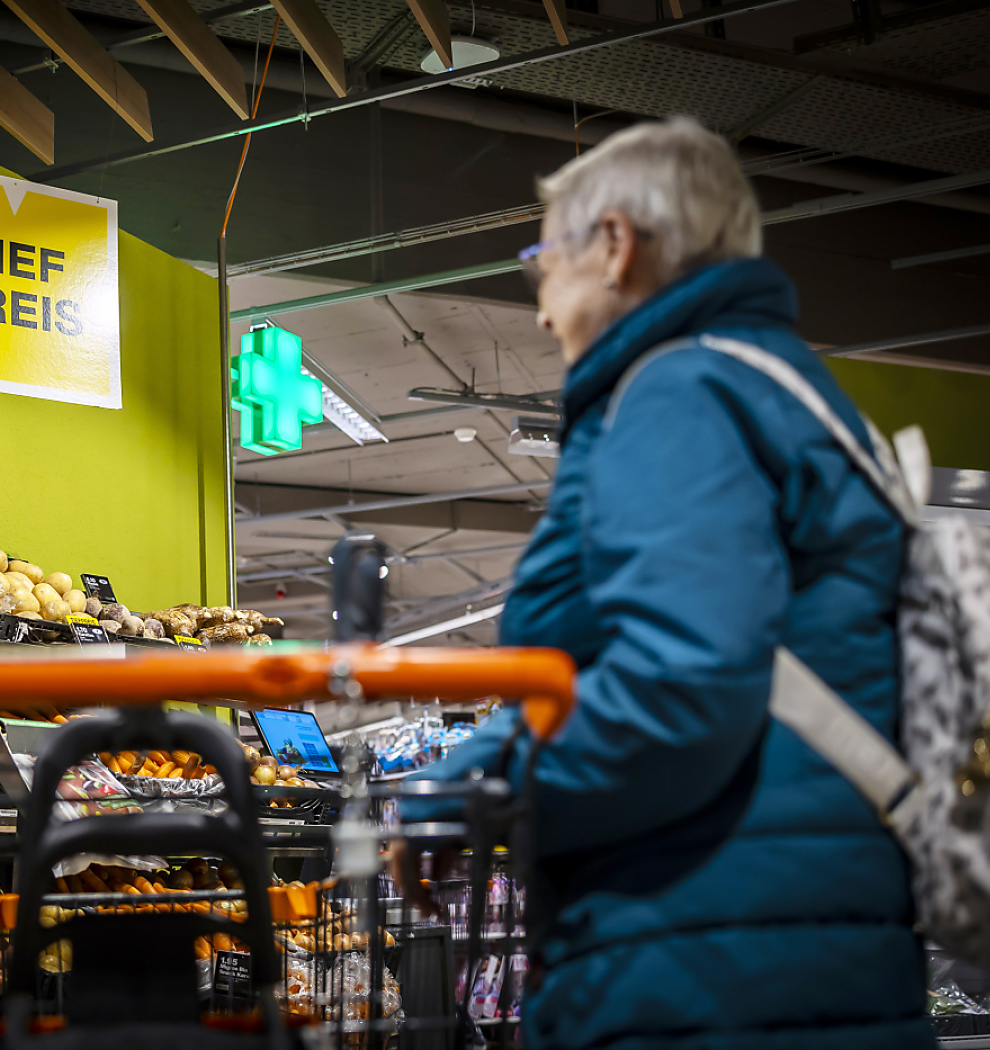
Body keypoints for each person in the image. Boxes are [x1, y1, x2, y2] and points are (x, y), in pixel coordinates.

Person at [392, 117, 931, 1048]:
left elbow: (682, 683)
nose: (540, 308)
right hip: (789, 946)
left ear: (614, 247)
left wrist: (496, 798)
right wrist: (464, 777)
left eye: (541, 259)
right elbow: (648, 666)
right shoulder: (775, 389)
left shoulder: (678, 394)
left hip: (701, 970)